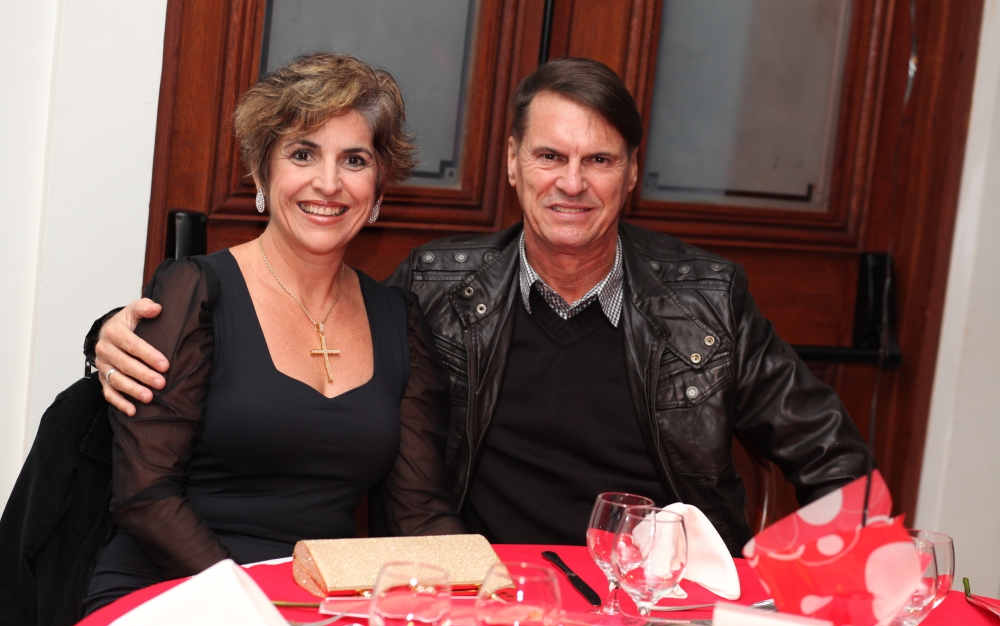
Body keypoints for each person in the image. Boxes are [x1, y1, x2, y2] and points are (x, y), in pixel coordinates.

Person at [91, 57, 870, 557]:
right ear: (512, 163)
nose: (572, 183)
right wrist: (108, 334)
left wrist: (808, 590)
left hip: (650, 612)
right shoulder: (435, 289)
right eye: (550, 156)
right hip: (486, 600)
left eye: (599, 160)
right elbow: (267, 332)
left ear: (632, 174)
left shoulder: (707, 300)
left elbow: (836, 462)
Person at [81, 52, 464, 614]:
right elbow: (145, 497)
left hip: (319, 606)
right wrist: (257, 608)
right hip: (174, 589)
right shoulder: (195, 291)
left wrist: (490, 594)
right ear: (262, 174)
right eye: (303, 154)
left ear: (379, 189)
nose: (328, 183)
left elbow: (420, 513)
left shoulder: (399, 319)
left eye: (354, 160)